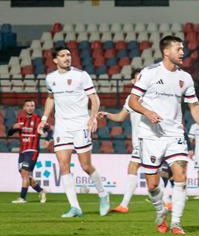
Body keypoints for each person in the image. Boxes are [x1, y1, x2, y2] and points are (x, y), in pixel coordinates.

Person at [128, 35, 199, 234]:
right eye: (178, 49)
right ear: (166, 52)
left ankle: (176, 222)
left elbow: (193, 105)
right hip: (151, 135)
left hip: (175, 134)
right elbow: (133, 101)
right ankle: (160, 210)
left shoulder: (185, 78)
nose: (182, 52)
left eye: (182, 49)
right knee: (153, 184)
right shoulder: (149, 73)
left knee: (181, 175)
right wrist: (147, 113)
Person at [41, 45, 111, 218]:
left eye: (69, 55)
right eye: (63, 55)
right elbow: (51, 98)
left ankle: (103, 195)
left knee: (86, 166)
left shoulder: (81, 75)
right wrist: (44, 118)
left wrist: (92, 118)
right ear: (55, 60)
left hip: (80, 124)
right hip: (62, 127)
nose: (67, 58)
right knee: (64, 165)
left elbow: (94, 99)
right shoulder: (50, 78)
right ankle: (75, 207)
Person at [98, 70, 143, 213]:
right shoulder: (131, 98)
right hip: (139, 140)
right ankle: (167, 202)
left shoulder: (150, 96)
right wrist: (107, 115)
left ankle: (124, 205)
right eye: (138, 77)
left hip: (147, 139)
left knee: (133, 167)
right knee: (151, 171)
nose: (141, 79)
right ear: (133, 81)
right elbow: (120, 117)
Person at [7, 99, 47, 204]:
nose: (30, 107)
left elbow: (48, 130)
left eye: (32, 105)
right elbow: (9, 133)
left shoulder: (38, 120)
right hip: (22, 151)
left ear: (34, 107)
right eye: (28, 105)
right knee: (25, 175)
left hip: (32, 150)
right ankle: (41, 191)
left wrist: (47, 139)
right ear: (24, 107)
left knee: (25, 173)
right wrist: (13, 127)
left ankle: (22, 198)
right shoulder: (20, 119)